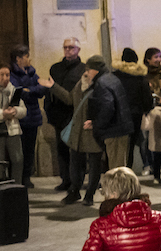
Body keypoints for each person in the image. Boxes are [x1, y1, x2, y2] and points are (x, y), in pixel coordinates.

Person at [50, 65, 104, 206]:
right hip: (78, 132)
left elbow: (106, 108)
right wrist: (54, 86)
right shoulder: (80, 83)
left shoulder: (101, 86)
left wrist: (96, 122)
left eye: (90, 71)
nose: (87, 73)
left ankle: (90, 195)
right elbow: (70, 99)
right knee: (75, 164)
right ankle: (74, 191)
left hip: (93, 132)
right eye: (86, 71)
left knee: (94, 165)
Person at [8, 46, 52, 188]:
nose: (29, 59)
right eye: (27, 56)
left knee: (29, 150)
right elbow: (19, 92)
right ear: (18, 59)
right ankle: (17, 177)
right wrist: (32, 90)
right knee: (18, 151)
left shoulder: (32, 72)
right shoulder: (12, 74)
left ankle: (26, 176)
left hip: (33, 117)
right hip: (20, 119)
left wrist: (30, 90)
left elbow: (42, 89)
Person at [47, 37, 86, 194]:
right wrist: (49, 111)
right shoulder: (55, 68)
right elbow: (50, 91)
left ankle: (77, 181)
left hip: (75, 114)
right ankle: (66, 180)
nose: (68, 50)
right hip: (59, 115)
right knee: (61, 149)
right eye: (65, 47)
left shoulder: (83, 69)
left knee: (77, 151)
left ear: (78, 50)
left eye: (71, 47)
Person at [85, 54, 134, 170]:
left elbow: (108, 106)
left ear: (95, 70)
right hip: (121, 127)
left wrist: (98, 124)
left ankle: (118, 183)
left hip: (114, 130)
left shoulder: (101, 82)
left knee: (116, 168)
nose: (87, 73)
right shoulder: (111, 78)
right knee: (120, 165)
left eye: (88, 70)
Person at [115, 48, 153, 172]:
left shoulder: (115, 76)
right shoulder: (140, 77)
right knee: (131, 145)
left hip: (118, 114)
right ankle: (128, 170)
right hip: (135, 114)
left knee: (118, 145)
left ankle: (117, 171)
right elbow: (147, 98)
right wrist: (146, 110)